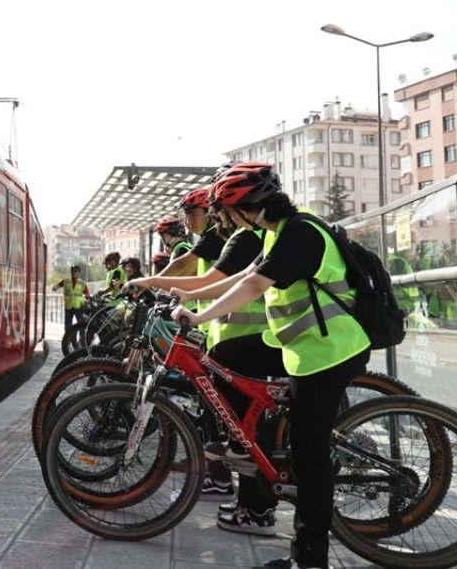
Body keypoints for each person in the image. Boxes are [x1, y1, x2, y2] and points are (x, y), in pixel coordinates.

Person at [172, 162, 371, 569]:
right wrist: (184, 293)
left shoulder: (299, 232)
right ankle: (249, 443)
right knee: (226, 356)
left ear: (243, 208)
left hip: (329, 352)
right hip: (301, 346)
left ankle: (309, 559)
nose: (226, 220)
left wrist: (199, 317)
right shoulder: (277, 232)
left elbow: (252, 286)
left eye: (227, 212)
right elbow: (244, 273)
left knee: (310, 456)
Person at [126, 184, 275, 512]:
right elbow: (227, 283)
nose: (216, 219)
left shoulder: (247, 238)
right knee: (233, 422)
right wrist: (183, 296)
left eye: (216, 211)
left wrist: (159, 286)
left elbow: (215, 282)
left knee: (244, 428)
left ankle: (255, 505)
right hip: (231, 337)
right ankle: (242, 495)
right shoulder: (252, 238)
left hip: (248, 340)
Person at [52, 264, 89, 332]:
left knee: (81, 325)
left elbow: (87, 294)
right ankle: (68, 340)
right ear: (70, 272)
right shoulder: (66, 281)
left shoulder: (82, 283)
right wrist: (55, 288)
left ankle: (82, 341)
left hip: (79, 307)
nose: (74, 273)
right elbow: (57, 286)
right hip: (68, 307)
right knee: (68, 325)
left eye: (76, 271)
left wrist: (88, 300)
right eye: (72, 271)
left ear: (79, 272)